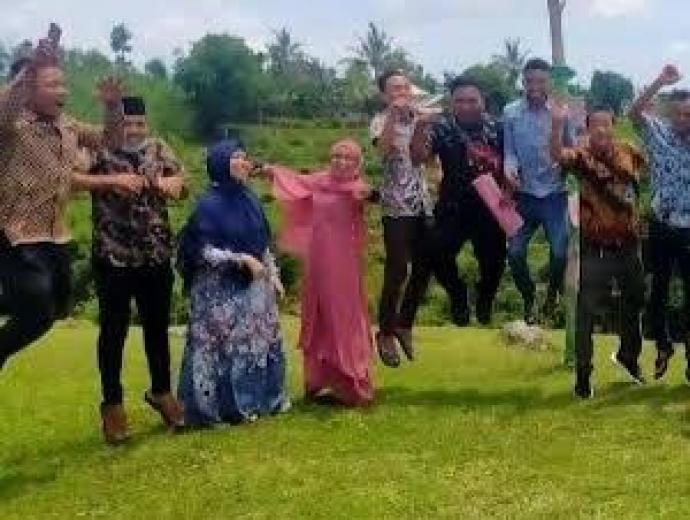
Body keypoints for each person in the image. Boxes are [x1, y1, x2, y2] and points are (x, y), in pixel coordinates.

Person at [0, 25, 144, 372]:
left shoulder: (67, 125)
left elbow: (110, 141)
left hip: (55, 235)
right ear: (30, 88)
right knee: (36, 308)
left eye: (63, 84)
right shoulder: (12, 126)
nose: (62, 90)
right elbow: (6, 107)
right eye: (52, 84)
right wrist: (32, 67)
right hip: (16, 234)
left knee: (57, 308)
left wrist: (113, 107)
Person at [89, 96, 187, 444]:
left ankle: (161, 392)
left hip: (155, 255)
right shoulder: (100, 149)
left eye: (139, 123)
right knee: (113, 332)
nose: (133, 130)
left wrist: (167, 184)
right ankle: (112, 404)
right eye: (127, 123)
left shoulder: (159, 148)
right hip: (113, 256)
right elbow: (71, 178)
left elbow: (181, 185)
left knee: (157, 329)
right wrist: (111, 181)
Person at [176, 140, 289, 426]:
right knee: (218, 348)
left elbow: (262, 243)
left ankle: (256, 402)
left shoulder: (250, 200)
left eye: (245, 157)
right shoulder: (208, 205)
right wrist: (240, 259)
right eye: (236, 157)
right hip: (218, 292)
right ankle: (213, 408)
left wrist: (273, 274)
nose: (244, 162)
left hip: (254, 288)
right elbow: (200, 250)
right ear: (220, 164)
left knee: (255, 344)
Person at [264, 139, 375, 407]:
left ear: (357, 163)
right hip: (318, 258)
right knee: (320, 312)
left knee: (343, 314)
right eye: (336, 156)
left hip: (343, 262)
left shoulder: (357, 188)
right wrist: (270, 170)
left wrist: (371, 195)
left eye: (348, 158)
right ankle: (319, 380)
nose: (341, 161)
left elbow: (371, 195)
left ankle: (352, 381)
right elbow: (294, 181)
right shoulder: (319, 181)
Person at [551, 102, 647, 398]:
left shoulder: (629, 151)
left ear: (613, 126)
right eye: (595, 125)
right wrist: (557, 125)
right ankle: (583, 376)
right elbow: (558, 154)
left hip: (629, 244)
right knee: (587, 311)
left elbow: (642, 178)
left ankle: (628, 356)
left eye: (606, 124)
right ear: (588, 129)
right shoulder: (582, 156)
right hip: (596, 247)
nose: (601, 130)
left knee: (635, 301)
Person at [401, 76, 508, 331]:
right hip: (453, 203)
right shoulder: (442, 127)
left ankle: (484, 299)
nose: (466, 106)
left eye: (472, 100)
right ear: (452, 103)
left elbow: (514, 160)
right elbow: (417, 158)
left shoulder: (499, 128)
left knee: (494, 262)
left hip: (491, 205)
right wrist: (420, 126)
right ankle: (457, 295)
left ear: (483, 102)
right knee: (434, 251)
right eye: (459, 101)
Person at [369, 70, 435, 367]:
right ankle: (385, 332)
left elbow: (424, 158)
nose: (401, 92)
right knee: (397, 269)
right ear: (384, 94)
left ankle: (404, 324)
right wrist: (394, 119)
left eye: (405, 87)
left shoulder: (420, 117)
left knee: (425, 265)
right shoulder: (379, 121)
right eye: (394, 88)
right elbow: (384, 151)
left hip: (422, 202)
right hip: (395, 205)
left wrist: (421, 124)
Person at [629, 65, 690, 383]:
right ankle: (663, 346)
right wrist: (659, 82)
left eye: (688, 115)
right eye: (678, 114)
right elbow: (633, 113)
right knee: (658, 292)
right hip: (661, 226)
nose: (683, 120)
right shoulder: (658, 134)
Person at [504, 58, 575, 324]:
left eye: (541, 81)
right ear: (523, 81)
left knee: (559, 252)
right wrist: (509, 168)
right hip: (524, 195)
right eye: (530, 81)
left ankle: (552, 295)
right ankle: (529, 298)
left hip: (555, 195)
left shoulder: (562, 112)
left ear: (549, 83)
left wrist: (564, 162)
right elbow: (509, 151)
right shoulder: (511, 112)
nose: (535, 86)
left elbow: (572, 148)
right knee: (515, 253)